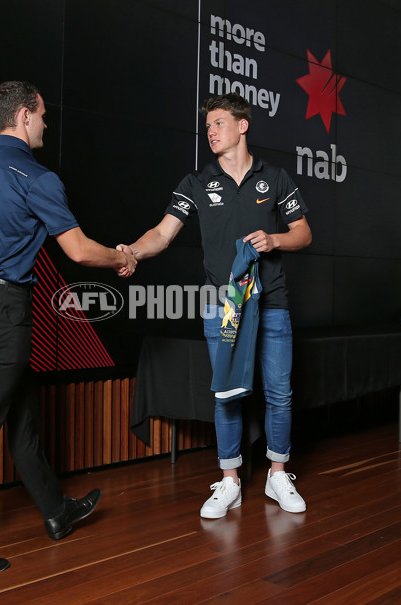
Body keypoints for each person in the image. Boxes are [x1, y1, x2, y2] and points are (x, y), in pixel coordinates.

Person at [0, 80, 136, 576]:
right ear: (23, 116)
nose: (45, 125)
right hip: (4, 310)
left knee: (24, 419)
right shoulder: (36, 176)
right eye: (41, 116)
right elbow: (78, 250)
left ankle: (57, 512)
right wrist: (121, 257)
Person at [118, 93, 311, 519]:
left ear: (243, 126)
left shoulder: (274, 178)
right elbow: (162, 234)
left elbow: (304, 233)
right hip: (221, 305)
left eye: (219, 123)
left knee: (279, 392)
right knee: (226, 394)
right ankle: (230, 482)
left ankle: (279, 475)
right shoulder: (196, 182)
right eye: (208, 126)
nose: (211, 131)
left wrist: (275, 239)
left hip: (272, 302)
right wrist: (130, 251)